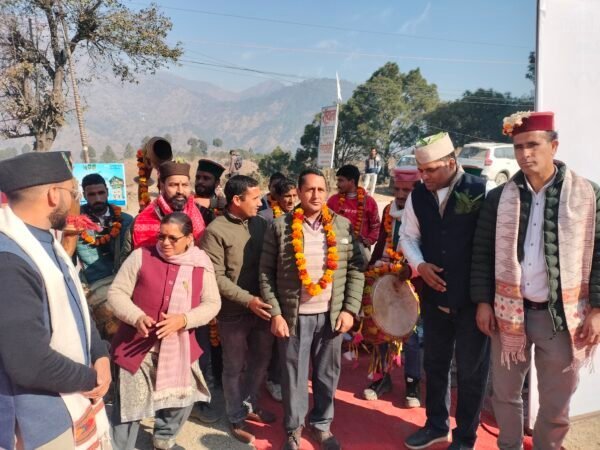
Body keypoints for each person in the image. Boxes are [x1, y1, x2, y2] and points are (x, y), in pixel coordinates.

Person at [471, 111, 600, 450]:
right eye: (518, 147)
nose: (525, 154)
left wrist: (598, 309)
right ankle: (509, 446)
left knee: (557, 402)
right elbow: (482, 253)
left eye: (532, 145)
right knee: (505, 394)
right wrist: (483, 302)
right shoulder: (499, 197)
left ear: (553, 146)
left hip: (560, 317)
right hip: (508, 312)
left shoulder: (588, 195)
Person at [0, 152, 111, 450]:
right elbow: (28, 362)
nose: (75, 201)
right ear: (53, 195)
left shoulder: (44, 239)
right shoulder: (9, 259)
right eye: (73, 193)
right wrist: (90, 378)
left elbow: (76, 307)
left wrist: (99, 354)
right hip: (42, 423)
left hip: (71, 399)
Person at [260, 168, 365, 450]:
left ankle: (321, 426)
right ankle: (293, 429)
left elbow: (356, 269)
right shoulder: (280, 227)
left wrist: (349, 310)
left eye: (321, 189)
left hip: (332, 317)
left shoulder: (342, 226)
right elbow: (266, 273)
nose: (315, 195)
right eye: (309, 189)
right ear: (299, 192)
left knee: (327, 375)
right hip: (294, 318)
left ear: (327, 192)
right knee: (293, 377)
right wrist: (276, 313)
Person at [400, 132, 489, 450]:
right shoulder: (417, 196)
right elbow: (407, 236)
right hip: (434, 298)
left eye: (431, 170)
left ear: (451, 163)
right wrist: (420, 265)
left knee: (471, 372)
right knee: (435, 365)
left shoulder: (481, 189)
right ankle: (436, 425)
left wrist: (487, 299)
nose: (424, 176)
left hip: (472, 300)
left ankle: (465, 437)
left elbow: (493, 245)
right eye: (420, 170)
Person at [109, 212, 221, 450]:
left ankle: (164, 439)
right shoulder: (141, 256)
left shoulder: (200, 263)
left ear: (189, 238)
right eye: (161, 237)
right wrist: (136, 316)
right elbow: (116, 292)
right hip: (135, 346)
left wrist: (184, 320)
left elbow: (212, 303)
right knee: (130, 407)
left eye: (173, 238)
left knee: (180, 402)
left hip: (180, 347)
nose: (165, 243)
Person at [200, 175, 275, 444]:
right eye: (255, 198)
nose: (260, 203)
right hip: (233, 312)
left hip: (263, 308)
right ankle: (235, 416)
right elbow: (216, 277)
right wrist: (248, 300)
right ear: (236, 200)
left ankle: (250, 404)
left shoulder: (261, 224)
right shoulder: (215, 231)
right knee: (233, 367)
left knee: (260, 360)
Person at [362, 167, 423, 408]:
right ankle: (381, 378)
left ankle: (412, 383)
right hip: (385, 276)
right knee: (381, 329)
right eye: (397, 189)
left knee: (413, 337)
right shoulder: (389, 210)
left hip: (414, 281)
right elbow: (381, 243)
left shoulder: (425, 211)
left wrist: (410, 269)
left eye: (406, 190)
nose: (400, 194)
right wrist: (371, 269)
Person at [61, 173, 134, 339]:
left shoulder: (125, 220)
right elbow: (67, 259)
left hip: (123, 281)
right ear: (85, 195)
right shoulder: (75, 223)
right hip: (94, 284)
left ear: (107, 192)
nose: (98, 198)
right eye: (92, 194)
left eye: (101, 193)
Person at [192, 158, 227, 423]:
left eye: (207, 179)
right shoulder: (187, 205)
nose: (201, 182)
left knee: (220, 337)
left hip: (220, 280)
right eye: (199, 177)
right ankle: (198, 393)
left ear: (216, 183)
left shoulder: (223, 208)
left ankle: (220, 380)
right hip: (193, 281)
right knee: (200, 340)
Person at [121, 160, 205, 263]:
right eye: (173, 185)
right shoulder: (141, 220)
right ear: (162, 186)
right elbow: (126, 261)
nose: (180, 191)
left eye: (185, 185)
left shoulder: (199, 215)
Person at [327, 164, 381, 268]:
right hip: (337, 249)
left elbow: (376, 226)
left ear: (351, 182)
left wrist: (369, 240)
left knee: (360, 275)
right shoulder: (333, 200)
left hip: (360, 250)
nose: (337, 184)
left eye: (341, 180)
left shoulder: (369, 202)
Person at [194, 158, 227, 222]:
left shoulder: (222, 208)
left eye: (206, 178)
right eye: (197, 177)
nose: (200, 181)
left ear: (217, 183)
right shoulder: (187, 201)